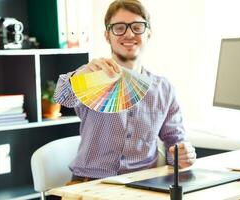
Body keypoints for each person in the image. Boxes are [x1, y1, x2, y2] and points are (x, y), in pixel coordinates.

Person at [54, 0, 196, 183]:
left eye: (137, 27)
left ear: (149, 33)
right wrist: (80, 75)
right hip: (90, 183)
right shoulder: (91, 76)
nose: (129, 34)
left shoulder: (164, 88)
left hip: (143, 184)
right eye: (119, 28)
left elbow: (174, 141)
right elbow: (62, 97)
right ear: (107, 35)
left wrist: (182, 154)